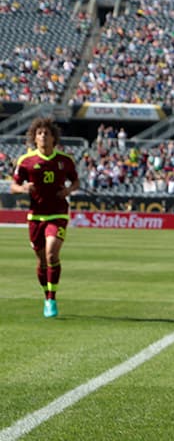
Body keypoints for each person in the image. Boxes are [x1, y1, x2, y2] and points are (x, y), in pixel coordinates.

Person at [9, 117, 80, 318]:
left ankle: (51, 299)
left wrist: (68, 191)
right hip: (36, 216)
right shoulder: (26, 161)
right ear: (34, 137)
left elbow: (76, 182)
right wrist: (23, 188)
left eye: (46, 133)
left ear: (53, 138)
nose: (42, 136)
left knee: (51, 254)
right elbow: (13, 186)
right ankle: (46, 294)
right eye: (39, 133)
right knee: (41, 261)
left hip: (58, 213)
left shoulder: (65, 160)